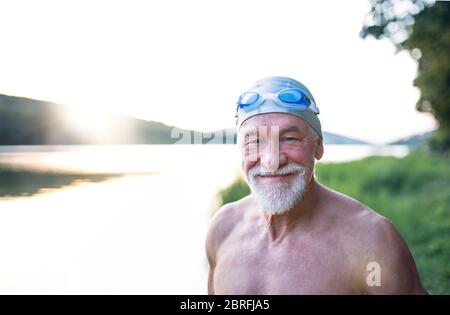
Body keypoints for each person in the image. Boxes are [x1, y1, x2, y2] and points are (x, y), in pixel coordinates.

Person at [205, 76, 427, 294]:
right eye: (255, 141)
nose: (272, 161)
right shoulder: (223, 229)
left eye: (289, 138)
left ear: (318, 146)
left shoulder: (372, 244)